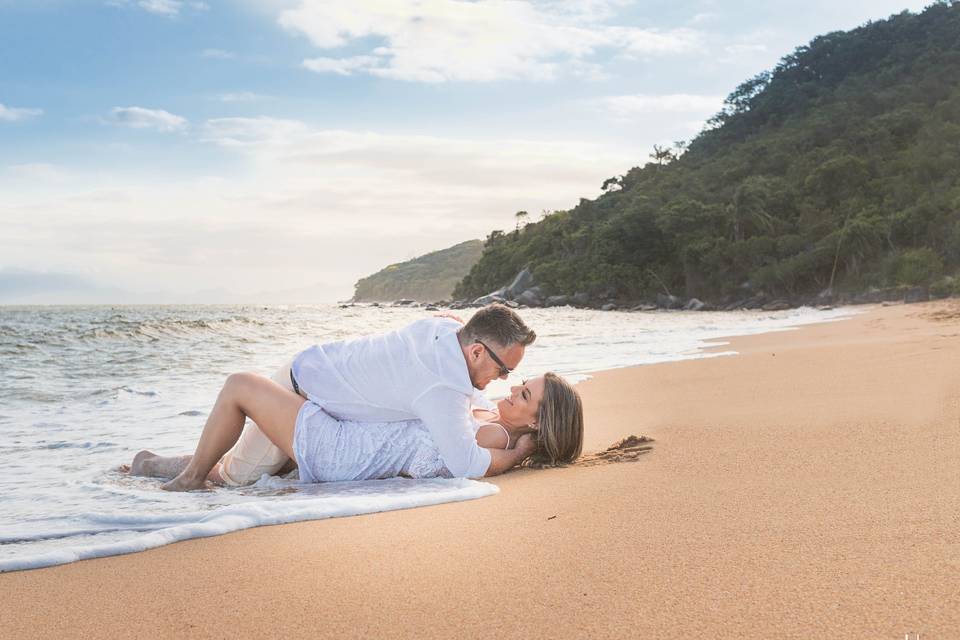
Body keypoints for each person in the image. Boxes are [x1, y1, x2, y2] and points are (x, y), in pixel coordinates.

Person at [153, 304, 555, 491]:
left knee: (240, 464)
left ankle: (151, 465)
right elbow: (468, 463)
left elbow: (451, 321)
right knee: (235, 476)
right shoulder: (442, 386)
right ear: (476, 351)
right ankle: (180, 476)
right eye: (504, 369)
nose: (504, 378)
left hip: (323, 398)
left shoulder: (443, 332)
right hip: (303, 389)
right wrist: (521, 450)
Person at [129, 371, 583, 485]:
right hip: (349, 441)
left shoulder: (497, 439)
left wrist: (522, 452)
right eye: (522, 382)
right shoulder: (492, 417)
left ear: (540, 421)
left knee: (241, 386)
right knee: (242, 463)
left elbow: (477, 467)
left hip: (343, 451)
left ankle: (185, 479)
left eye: (525, 395)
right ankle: (152, 466)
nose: (515, 389)